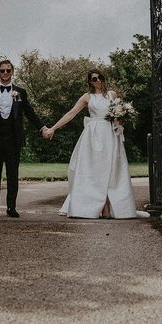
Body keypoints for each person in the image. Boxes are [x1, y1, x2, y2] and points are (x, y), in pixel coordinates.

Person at [45, 69, 138, 219]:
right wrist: (53, 128)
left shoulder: (112, 95)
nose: (98, 81)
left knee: (110, 169)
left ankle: (107, 205)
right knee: (95, 170)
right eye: (94, 79)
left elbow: (118, 115)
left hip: (110, 134)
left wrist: (120, 119)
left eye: (100, 77)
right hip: (93, 136)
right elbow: (71, 113)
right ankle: (98, 206)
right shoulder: (87, 97)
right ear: (90, 82)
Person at [0, 60, 48, 218]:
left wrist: (42, 127)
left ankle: (11, 207)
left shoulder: (20, 92)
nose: (5, 73)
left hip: (13, 139)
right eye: (2, 71)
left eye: (8, 70)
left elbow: (29, 112)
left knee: (12, 174)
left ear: (12, 72)